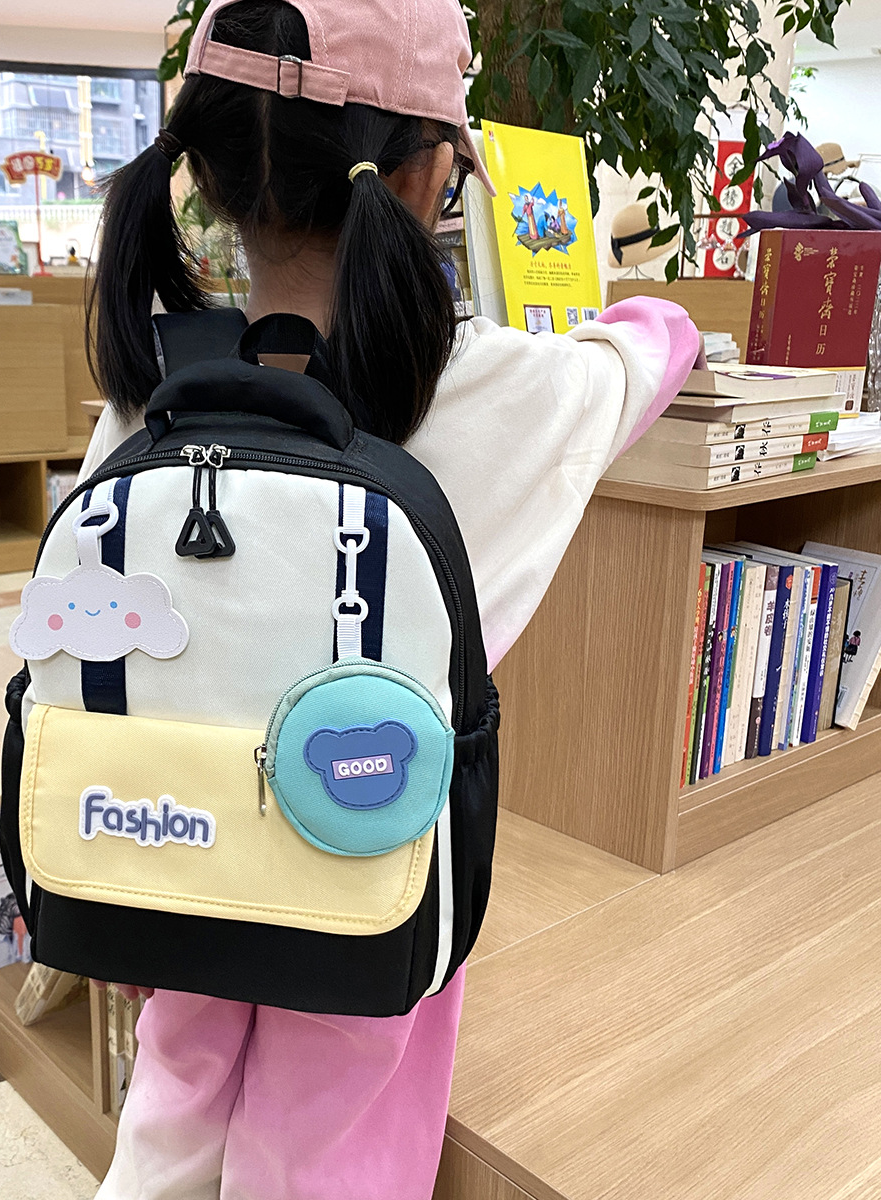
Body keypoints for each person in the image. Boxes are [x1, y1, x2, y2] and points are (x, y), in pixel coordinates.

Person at [80, 2, 701, 1196]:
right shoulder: (509, 390)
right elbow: (657, 342)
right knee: (338, 1113)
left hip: (170, 836)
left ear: (209, 174)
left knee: (178, 1075)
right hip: (366, 834)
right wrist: (616, 287)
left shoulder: (152, 387)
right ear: (426, 180)